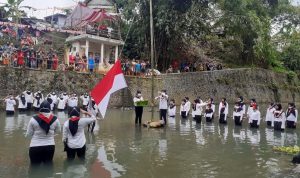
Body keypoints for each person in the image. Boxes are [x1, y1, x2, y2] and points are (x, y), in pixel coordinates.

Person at [25, 100, 61, 166]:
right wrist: (51, 134)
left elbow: (29, 134)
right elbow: (58, 131)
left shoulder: (33, 119)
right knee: (48, 166)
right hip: (50, 146)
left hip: (35, 146)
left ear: (40, 109)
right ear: (50, 109)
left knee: (34, 167)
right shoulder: (55, 119)